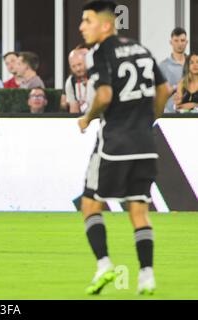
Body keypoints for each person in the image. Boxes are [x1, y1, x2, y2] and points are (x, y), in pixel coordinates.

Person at [77, 1, 170, 295]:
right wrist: (148, 120)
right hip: (145, 143)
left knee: (90, 204)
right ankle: (147, 275)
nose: (82, 27)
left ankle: (104, 264)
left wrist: (87, 117)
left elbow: (103, 95)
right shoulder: (141, 49)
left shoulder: (99, 52)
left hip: (114, 143)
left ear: (105, 25)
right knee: (139, 210)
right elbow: (165, 89)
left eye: (87, 21)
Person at [159, 27, 189, 113]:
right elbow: (159, 93)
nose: (179, 44)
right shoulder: (163, 66)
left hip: (191, 114)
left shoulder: (193, 64)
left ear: (187, 42)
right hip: (169, 114)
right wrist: (177, 86)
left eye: (182, 40)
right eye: (176, 40)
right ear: (171, 42)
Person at [65, 47, 89, 113]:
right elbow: (73, 110)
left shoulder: (96, 77)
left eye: (79, 64)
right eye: (73, 66)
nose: (78, 69)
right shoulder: (70, 82)